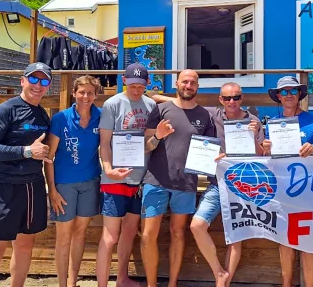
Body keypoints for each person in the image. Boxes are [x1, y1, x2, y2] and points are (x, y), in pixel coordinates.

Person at [149, 82, 264, 287]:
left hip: (243, 187)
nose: (232, 102)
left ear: (242, 98)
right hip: (216, 183)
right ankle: (219, 272)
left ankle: (223, 283)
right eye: (227, 98)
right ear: (220, 100)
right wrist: (160, 98)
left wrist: (254, 136)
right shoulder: (214, 115)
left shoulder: (253, 121)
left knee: (235, 236)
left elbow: (262, 154)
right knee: (197, 226)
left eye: (236, 97)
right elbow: (188, 104)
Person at [0, 62, 53, 287]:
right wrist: (27, 151)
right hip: (3, 188)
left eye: (44, 81)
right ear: (23, 81)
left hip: (32, 188)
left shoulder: (43, 115)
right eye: (34, 79)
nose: (38, 85)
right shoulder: (6, 109)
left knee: (25, 247)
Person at [141, 69, 218, 287]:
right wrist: (158, 136)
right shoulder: (161, 109)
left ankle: (173, 283)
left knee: (178, 233)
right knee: (148, 235)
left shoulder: (205, 116)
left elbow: (210, 151)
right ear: (177, 83)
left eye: (193, 82)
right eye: (185, 81)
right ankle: (151, 284)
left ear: (197, 87)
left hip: (186, 184)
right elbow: (145, 146)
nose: (188, 85)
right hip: (155, 181)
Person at [261, 76, 313, 287]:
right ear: (278, 96)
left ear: (300, 94)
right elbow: (267, 159)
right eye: (284, 92)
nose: (289, 95)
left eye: (293, 91)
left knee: (309, 241)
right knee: (284, 240)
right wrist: (266, 149)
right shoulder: (272, 124)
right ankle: (287, 283)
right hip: (281, 188)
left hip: (309, 188)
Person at [96, 63, 157, 287]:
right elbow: (104, 143)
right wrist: (108, 169)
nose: (136, 90)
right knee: (109, 236)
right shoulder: (112, 104)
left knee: (130, 231)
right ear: (124, 80)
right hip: (114, 178)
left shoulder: (151, 105)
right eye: (132, 85)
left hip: (140, 179)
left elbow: (150, 143)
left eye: (140, 86)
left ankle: (122, 278)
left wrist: (158, 137)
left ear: (146, 84)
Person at [44, 75, 103, 287]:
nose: (85, 96)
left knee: (80, 234)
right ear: (74, 93)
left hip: (90, 183)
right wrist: (52, 190)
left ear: (96, 95)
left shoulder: (102, 117)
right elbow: (49, 157)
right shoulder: (61, 119)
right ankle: (62, 284)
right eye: (81, 92)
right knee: (64, 236)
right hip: (64, 185)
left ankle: (72, 282)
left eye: (90, 92)